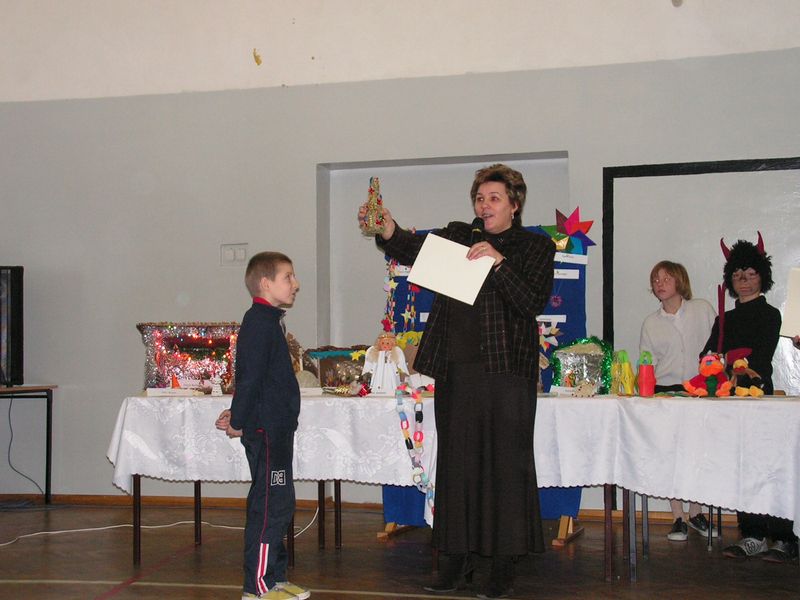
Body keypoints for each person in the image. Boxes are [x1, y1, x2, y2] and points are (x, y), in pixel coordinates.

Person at [358, 164, 555, 599]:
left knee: (506, 468)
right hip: (457, 371)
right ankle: (454, 561)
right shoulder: (458, 235)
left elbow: (531, 301)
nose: (484, 205)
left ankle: (502, 566)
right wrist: (388, 229)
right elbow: (413, 248)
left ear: (515, 204)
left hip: (508, 374)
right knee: (457, 466)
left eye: (494, 198)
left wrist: (498, 262)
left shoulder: (534, 246)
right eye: (480, 198)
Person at [215, 251, 310, 600]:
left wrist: (239, 413)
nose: (296, 283)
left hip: (277, 431)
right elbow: (249, 378)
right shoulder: (258, 323)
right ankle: (256, 587)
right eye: (288, 277)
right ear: (266, 284)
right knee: (269, 506)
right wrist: (240, 420)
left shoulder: (270, 321)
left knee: (280, 504)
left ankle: (275, 578)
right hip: (267, 434)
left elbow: (264, 381)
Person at [699, 237, 796, 564]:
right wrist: (714, 361)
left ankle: (783, 538)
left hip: (758, 397)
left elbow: (758, 357)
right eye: (738, 274)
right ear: (730, 280)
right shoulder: (722, 320)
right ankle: (752, 534)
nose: (744, 280)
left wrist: (727, 359)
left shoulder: (770, 315)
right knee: (743, 466)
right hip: (731, 401)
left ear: (762, 277)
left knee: (771, 467)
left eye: (751, 274)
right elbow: (707, 357)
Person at [639, 260, 717, 542]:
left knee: (698, 453)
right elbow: (647, 362)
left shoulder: (703, 309)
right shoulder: (651, 322)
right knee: (671, 455)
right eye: (655, 279)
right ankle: (678, 516)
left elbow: (718, 347)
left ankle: (696, 512)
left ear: (680, 281)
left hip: (700, 391)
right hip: (666, 392)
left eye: (666, 278)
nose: (659, 284)